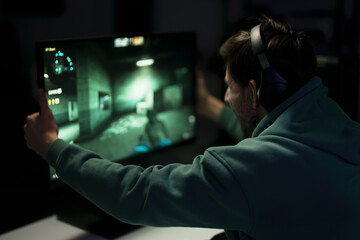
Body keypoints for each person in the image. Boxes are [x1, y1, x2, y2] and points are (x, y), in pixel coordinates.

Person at [24, 16, 360, 239]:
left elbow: (138, 194)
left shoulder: (252, 171)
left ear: (254, 92)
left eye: (228, 87)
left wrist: (52, 147)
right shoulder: (335, 124)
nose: (225, 96)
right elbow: (279, 138)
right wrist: (208, 106)